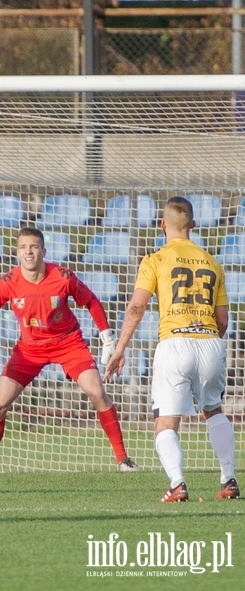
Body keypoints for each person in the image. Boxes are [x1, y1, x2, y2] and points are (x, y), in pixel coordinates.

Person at [0, 227, 139, 474]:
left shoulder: (62, 276)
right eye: (23, 247)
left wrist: (106, 336)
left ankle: (123, 459)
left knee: (97, 393)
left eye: (34, 247)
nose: (29, 252)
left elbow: (91, 301)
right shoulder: (7, 282)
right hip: (29, 349)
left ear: (43, 251)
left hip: (68, 343)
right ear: (17, 253)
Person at [105, 197, 238, 502]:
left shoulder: (156, 258)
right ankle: (228, 479)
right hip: (210, 341)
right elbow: (223, 320)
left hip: (174, 341)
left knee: (166, 420)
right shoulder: (212, 262)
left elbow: (137, 306)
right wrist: (207, 338)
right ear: (193, 225)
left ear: (163, 224)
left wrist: (120, 348)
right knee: (214, 410)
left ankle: (177, 483)